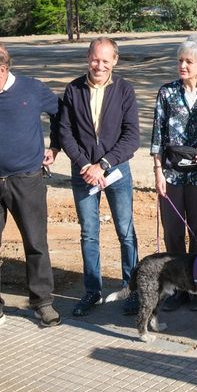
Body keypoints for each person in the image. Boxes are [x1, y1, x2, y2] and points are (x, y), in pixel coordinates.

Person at [0, 40, 63, 336]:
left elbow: (60, 112)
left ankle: (42, 302)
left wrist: (55, 146)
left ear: (2, 69)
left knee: (36, 243)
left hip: (27, 180)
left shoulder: (32, 89)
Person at [59, 37, 141, 318]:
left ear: (115, 61)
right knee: (88, 234)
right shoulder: (73, 90)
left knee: (126, 233)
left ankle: (132, 289)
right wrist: (86, 165)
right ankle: (92, 290)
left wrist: (103, 164)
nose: (100, 65)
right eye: (95, 59)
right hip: (83, 173)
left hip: (117, 171)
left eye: (106, 60)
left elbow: (132, 137)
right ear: (88, 57)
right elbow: (64, 133)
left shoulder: (124, 90)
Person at [150, 35, 197, 311]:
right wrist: (157, 171)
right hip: (171, 174)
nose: (183, 65)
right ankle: (176, 287)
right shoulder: (166, 93)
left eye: (189, 61)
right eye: (180, 60)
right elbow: (157, 135)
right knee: (174, 232)